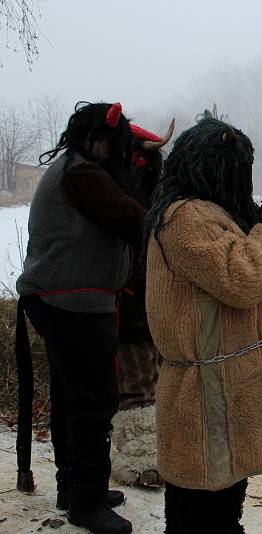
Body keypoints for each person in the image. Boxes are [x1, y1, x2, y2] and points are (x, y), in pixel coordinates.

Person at [144, 117, 262, 533]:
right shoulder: (185, 217)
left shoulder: (214, 213)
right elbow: (242, 278)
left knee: (224, 498)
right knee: (199, 507)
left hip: (227, 384)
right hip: (205, 393)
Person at [15, 101, 146, 534]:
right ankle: (86, 502)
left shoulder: (75, 167)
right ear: (99, 142)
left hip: (60, 299)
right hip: (71, 302)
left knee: (73, 398)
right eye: (121, 147)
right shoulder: (84, 174)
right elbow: (135, 221)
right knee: (94, 401)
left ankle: (75, 486)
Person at [110, 119, 174, 490]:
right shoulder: (118, 192)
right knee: (135, 384)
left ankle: (153, 453)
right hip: (128, 306)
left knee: (154, 381)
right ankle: (138, 462)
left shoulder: (153, 195)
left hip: (152, 303)